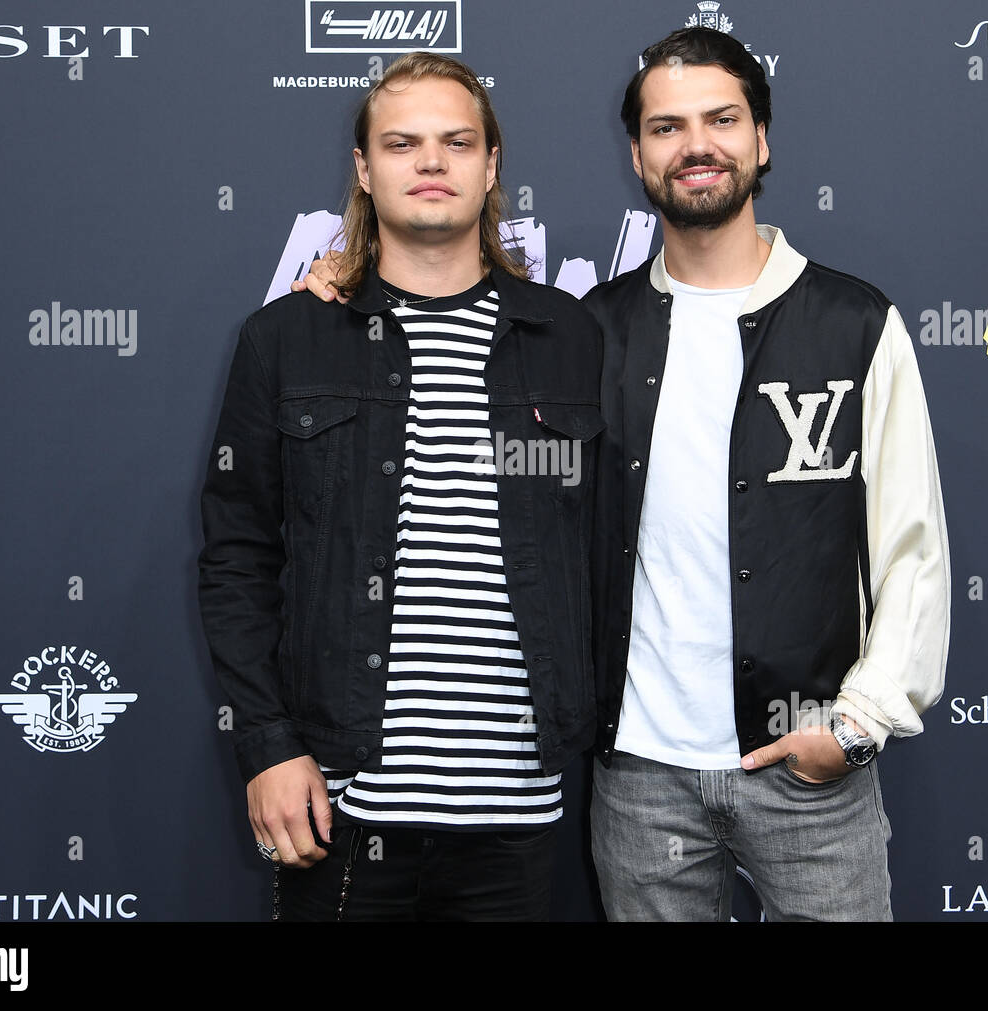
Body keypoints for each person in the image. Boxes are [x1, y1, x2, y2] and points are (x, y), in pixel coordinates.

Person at [299, 27, 951, 923]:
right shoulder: (581, 332)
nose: (696, 145)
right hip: (638, 777)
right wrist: (343, 277)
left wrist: (854, 726)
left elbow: (913, 548)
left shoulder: (855, 322)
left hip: (809, 773)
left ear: (763, 140)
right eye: (665, 127)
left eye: (721, 119)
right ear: (637, 153)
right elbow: (445, 295)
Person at [198, 52, 604, 921]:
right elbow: (237, 557)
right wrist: (267, 746)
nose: (431, 162)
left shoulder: (570, 336)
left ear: (491, 165)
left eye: (457, 141)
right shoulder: (286, 338)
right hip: (339, 809)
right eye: (402, 142)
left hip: (517, 821)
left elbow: (617, 545)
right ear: (363, 167)